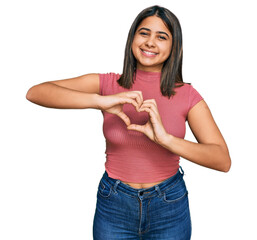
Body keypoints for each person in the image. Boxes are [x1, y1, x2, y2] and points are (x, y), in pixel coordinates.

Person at [26, 5, 231, 240]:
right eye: (144, 33)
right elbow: (36, 92)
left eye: (161, 37)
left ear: (175, 47)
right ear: (133, 37)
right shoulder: (108, 83)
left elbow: (222, 160)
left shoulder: (187, 94)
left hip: (169, 205)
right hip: (114, 203)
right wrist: (100, 101)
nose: (150, 42)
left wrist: (166, 140)